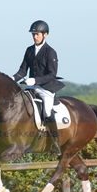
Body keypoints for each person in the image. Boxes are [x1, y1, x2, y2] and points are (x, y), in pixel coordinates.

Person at [12, 20, 65, 154]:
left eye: (37, 34)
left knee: (47, 111)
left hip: (46, 88)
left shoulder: (50, 52)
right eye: (33, 34)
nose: (35, 36)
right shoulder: (29, 50)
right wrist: (12, 79)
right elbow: (22, 71)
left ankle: (55, 143)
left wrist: (35, 80)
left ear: (45, 34)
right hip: (31, 87)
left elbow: (52, 74)